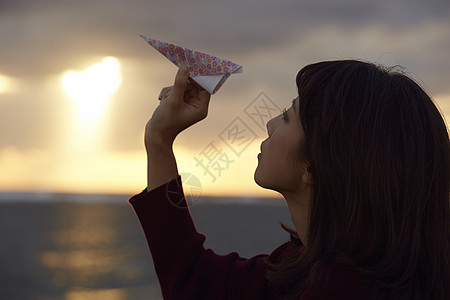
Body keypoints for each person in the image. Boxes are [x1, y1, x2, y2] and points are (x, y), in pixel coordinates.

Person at [129, 60, 450, 299]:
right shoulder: (306, 266)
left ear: (317, 163)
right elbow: (194, 280)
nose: (268, 123)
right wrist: (159, 140)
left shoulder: (335, 288)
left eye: (287, 116)